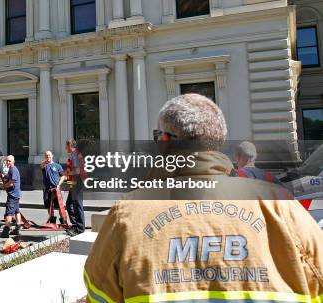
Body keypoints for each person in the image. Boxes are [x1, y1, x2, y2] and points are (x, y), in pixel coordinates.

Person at [84, 94, 323, 302]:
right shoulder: (281, 205)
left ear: (165, 141)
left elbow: (99, 292)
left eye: (158, 137)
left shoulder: (129, 211)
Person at [65, 139, 86, 236]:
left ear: (70, 145)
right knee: (69, 204)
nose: (65, 148)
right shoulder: (74, 155)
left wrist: (68, 173)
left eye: (66, 146)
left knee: (77, 205)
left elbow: (77, 171)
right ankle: (75, 224)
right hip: (74, 183)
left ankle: (80, 229)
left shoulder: (75, 155)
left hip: (77, 183)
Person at [0, 155, 22, 238]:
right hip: (16, 195)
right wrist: (4, 176)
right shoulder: (11, 169)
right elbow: (10, 178)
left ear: (13, 161)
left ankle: (6, 231)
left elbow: (12, 182)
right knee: (16, 211)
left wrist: (3, 186)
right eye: (7, 161)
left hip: (12, 195)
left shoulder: (13, 170)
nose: (8, 162)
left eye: (9, 161)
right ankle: (17, 229)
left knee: (9, 213)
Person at [40, 151, 66, 224]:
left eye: (49, 155)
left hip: (56, 188)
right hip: (47, 189)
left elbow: (63, 176)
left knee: (60, 206)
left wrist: (59, 184)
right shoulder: (44, 166)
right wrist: (46, 161)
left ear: (52, 156)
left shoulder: (57, 166)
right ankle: (52, 221)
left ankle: (63, 221)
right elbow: (41, 165)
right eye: (46, 155)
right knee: (49, 206)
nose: (48, 157)